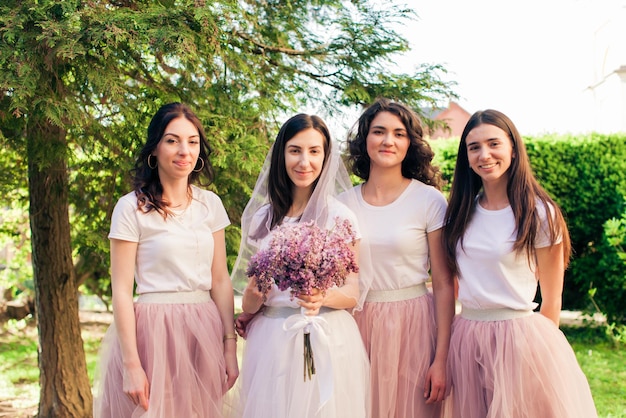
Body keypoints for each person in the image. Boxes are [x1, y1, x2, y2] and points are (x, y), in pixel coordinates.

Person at [442, 109, 597, 418]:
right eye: (474, 147)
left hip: (518, 337)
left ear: (513, 148)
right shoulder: (460, 211)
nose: (484, 154)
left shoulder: (539, 213)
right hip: (467, 336)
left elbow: (552, 298)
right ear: (467, 157)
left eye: (493, 143)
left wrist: (540, 356)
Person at [93, 102, 239, 417]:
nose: (184, 150)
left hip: (204, 329)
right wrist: (132, 363)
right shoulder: (130, 208)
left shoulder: (209, 205)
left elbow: (220, 279)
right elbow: (121, 290)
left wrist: (229, 346)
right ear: (155, 148)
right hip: (152, 332)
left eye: (192, 141)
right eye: (172, 140)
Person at [228, 113, 370, 418]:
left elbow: (352, 292)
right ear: (282, 154)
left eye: (314, 151)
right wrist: (253, 295)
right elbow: (251, 302)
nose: (304, 161)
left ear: (325, 157)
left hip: (327, 335)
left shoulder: (341, 217)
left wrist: (322, 296)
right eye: (295, 150)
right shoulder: (263, 218)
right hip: (272, 339)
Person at [340, 97, 455, 418]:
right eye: (379, 132)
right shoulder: (341, 204)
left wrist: (441, 358)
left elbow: (445, 284)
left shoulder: (429, 200)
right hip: (354, 323)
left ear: (410, 144)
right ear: (365, 140)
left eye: (399, 133)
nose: (388, 140)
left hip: (414, 326)